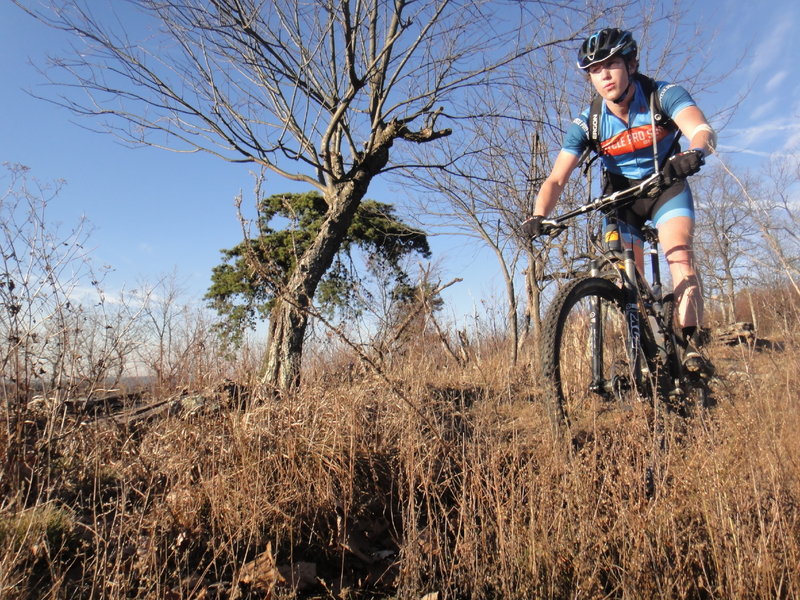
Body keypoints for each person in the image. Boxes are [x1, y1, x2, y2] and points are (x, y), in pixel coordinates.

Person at [523, 28, 716, 374]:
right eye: (595, 70)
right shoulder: (588, 122)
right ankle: (650, 351)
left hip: (665, 186)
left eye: (612, 64)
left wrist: (694, 152)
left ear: (631, 64)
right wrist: (538, 215)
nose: (605, 75)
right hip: (620, 198)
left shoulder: (662, 95)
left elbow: (701, 129)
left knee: (678, 252)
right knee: (626, 277)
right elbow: (556, 178)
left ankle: (690, 345)